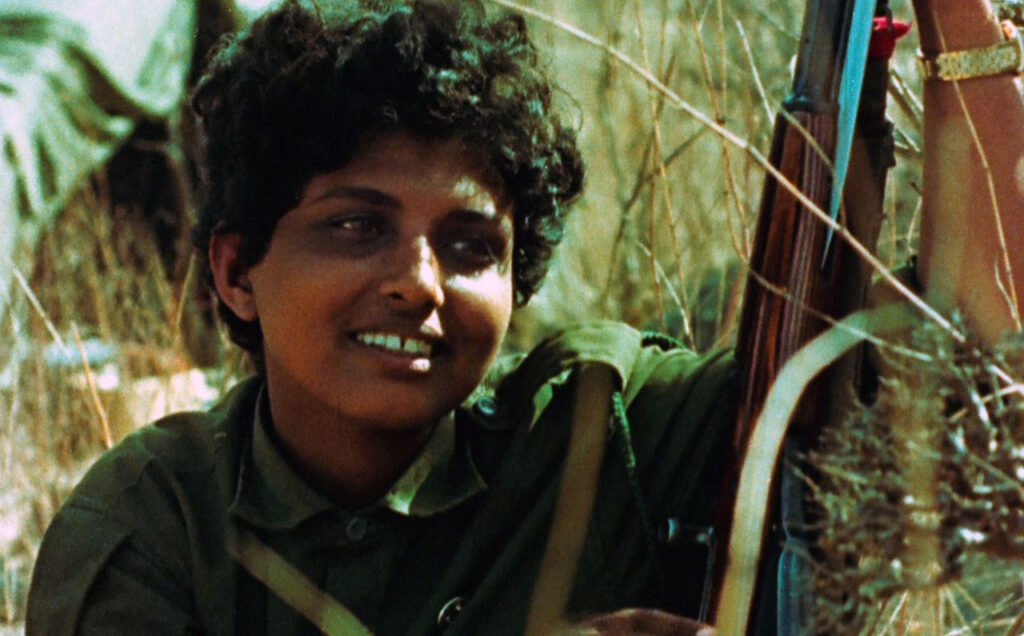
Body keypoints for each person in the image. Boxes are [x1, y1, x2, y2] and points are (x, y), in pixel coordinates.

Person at [26, 1, 732, 634]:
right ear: (237, 274)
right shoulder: (150, 527)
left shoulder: (598, 429)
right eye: (357, 227)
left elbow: (826, 359)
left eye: (470, 246)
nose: (419, 284)